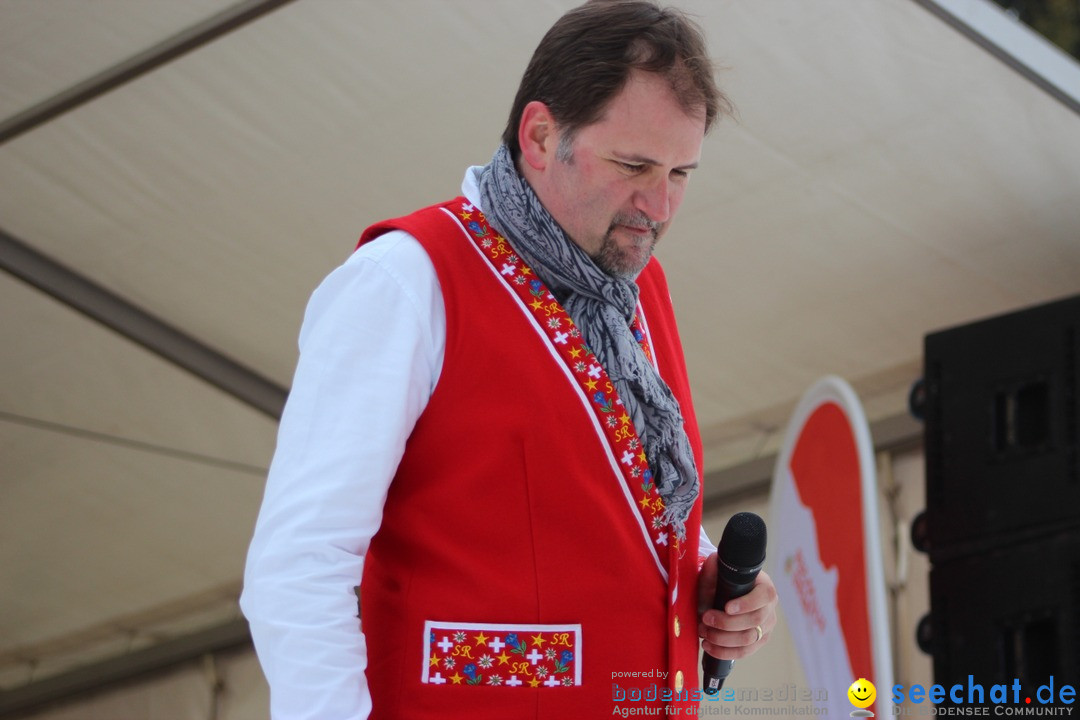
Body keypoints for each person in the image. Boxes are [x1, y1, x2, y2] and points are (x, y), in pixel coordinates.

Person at [241, 1, 778, 718]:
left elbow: (613, 495)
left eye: (681, 172)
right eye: (634, 164)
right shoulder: (407, 280)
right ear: (539, 134)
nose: (660, 203)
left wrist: (701, 574)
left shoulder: (638, 288)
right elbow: (299, 564)